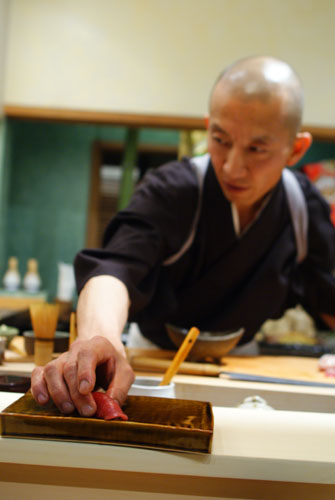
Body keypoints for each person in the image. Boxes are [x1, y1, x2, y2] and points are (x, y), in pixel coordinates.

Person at [31, 55, 335, 417]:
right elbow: (115, 269)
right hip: (153, 361)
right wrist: (101, 340)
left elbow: (327, 295)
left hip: (243, 367)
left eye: (256, 148)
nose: (232, 167)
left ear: (295, 149)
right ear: (208, 127)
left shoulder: (303, 207)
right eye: (220, 139)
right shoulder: (174, 190)